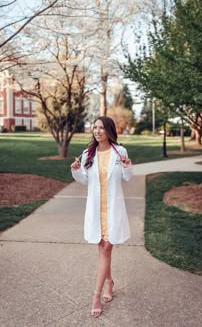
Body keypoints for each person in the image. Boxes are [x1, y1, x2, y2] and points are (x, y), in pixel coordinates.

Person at [71, 116, 132, 318]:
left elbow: (127, 176)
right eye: (95, 127)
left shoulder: (120, 152)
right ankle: (109, 282)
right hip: (97, 210)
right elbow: (84, 180)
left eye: (101, 128)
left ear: (109, 131)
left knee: (106, 249)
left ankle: (96, 296)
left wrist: (127, 166)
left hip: (112, 209)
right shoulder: (88, 153)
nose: (97, 131)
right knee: (102, 251)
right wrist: (76, 171)